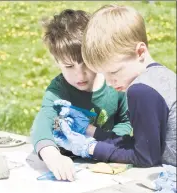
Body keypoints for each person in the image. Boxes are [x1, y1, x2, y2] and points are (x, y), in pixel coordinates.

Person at [55, 4, 176, 167]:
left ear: (140, 52)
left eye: (113, 72)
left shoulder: (140, 90)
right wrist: (90, 131)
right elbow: (141, 144)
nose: (110, 82)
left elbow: (145, 158)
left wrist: (90, 149)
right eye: (103, 74)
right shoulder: (162, 75)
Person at [31, 9, 132, 182]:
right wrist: (52, 155)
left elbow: (125, 121)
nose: (80, 75)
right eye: (69, 67)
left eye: (86, 63)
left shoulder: (114, 83)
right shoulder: (58, 90)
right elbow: (42, 123)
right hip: (71, 167)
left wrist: (107, 144)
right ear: (57, 62)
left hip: (105, 163)